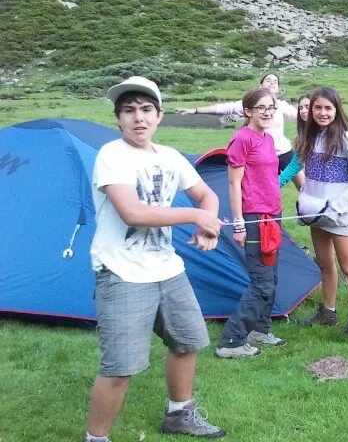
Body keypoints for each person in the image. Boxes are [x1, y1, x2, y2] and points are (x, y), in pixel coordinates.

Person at [84, 76, 224, 442]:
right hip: (122, 274)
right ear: (118, 119)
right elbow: (133, 213)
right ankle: (96, 439)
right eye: (129, 111)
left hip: (168, 269)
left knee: (188, 342)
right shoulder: (112, 155)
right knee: (120, 367)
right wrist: (194, 217)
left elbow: (207, 195)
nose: (138, 118)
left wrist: (209, 224)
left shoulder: (171, 158)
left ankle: (179, 415)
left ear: (159, 116)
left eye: (146, 110)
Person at [295, 87, 348, 338]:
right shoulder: (309, 138)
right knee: (324, 263)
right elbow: (302, 173)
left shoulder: (347, 139)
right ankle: (327, 311)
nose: (322, 113)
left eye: (328, 108)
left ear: (337, 110)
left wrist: (339, 206)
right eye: (317, 108)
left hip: (340, 215)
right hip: (316, 214)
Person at [214, 87, 288, 359]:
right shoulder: (242, 139)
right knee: (262, 283)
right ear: (248, 111)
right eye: (261, 108)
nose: (267, 112)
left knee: (272, 277)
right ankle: (230, 341)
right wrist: (239, 224)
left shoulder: (267, 139)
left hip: (273, 216)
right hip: (254, 218)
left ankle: (260, 329)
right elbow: (234, 184)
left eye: (271, 107)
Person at [174, 73, 305, 189]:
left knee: (302, 184)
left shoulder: (281, 106)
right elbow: (224, 108)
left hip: (283, 152)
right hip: (259, 155)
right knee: (263, 189)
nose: (272, 82)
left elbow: (301, 115)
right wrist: (196, 110)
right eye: (268, 80)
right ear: (260, 86)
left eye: (275, 81)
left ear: (278, 89)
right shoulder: (251, 105)